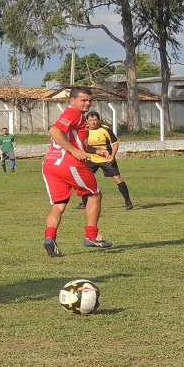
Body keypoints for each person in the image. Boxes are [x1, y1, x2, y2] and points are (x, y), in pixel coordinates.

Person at [41, 86, 113, 258]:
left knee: (58, 205)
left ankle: (49, 238)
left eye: (89, 100)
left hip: (50, 164)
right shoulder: (73, 113)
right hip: (69, 164)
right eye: (83, 100)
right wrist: (73, 151)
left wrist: (96, 151)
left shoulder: (76, 116)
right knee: (94, 195)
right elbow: (54, 131)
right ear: (72, 100)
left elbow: (77, 142)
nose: (87, 103)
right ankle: (92, 236)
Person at [77, 111, 134, 210]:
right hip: (90, 160)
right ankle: (84, 203)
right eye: (90, 120)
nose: (93, 122)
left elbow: (115, 144)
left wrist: (112, 155)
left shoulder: (105, 130)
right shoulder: (84, 130)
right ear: (87, 121)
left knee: (117, 179)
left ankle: (128, 202)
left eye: (95, 120)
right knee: (84, 180)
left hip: (106, 159)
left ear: (99, 120)